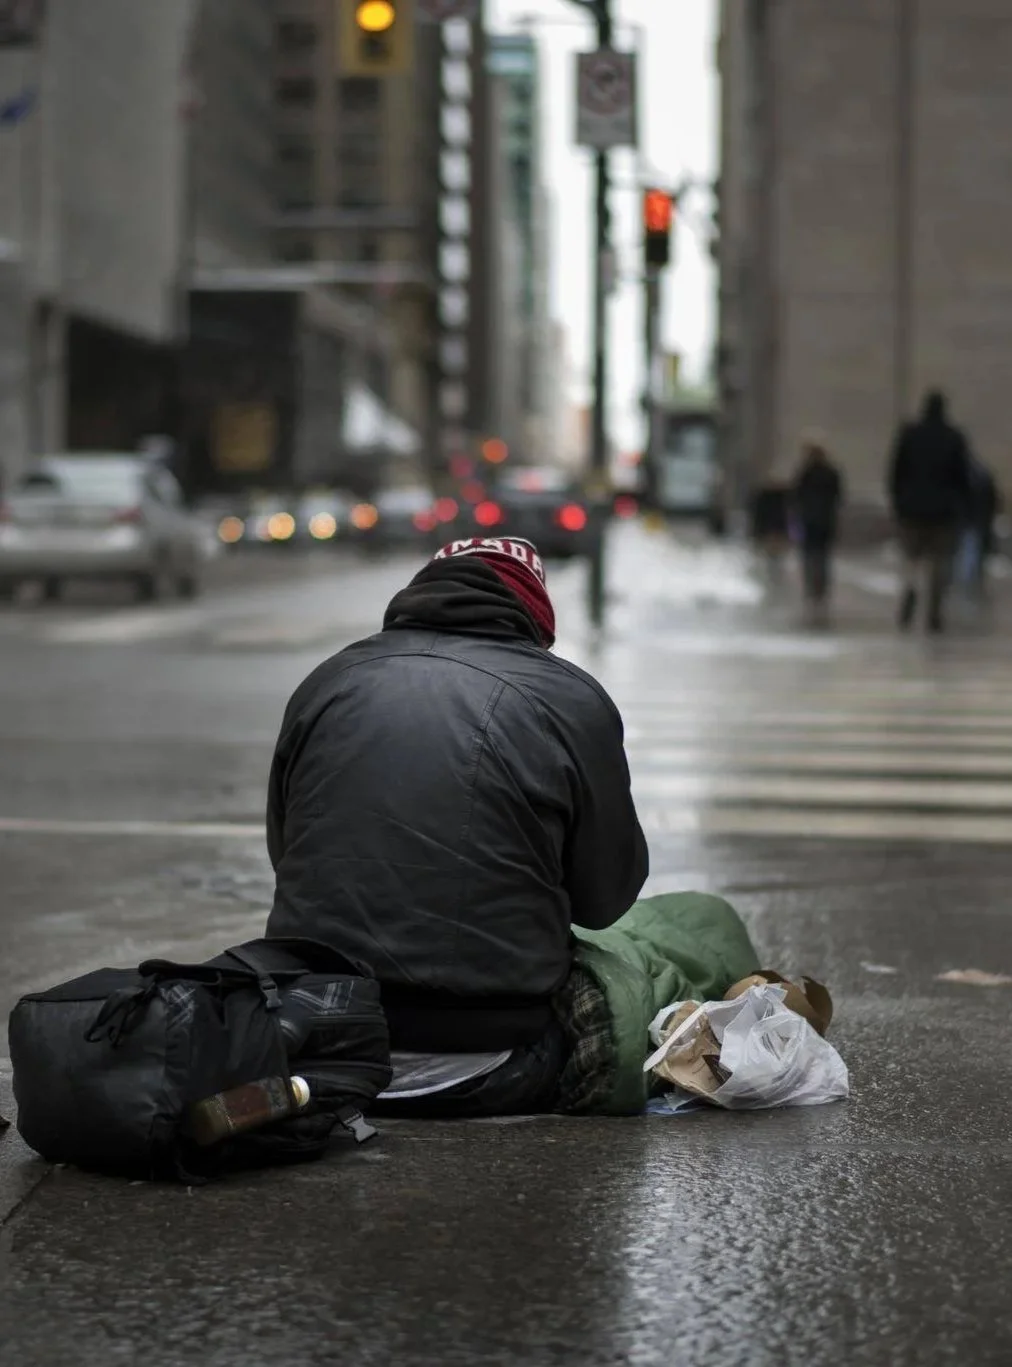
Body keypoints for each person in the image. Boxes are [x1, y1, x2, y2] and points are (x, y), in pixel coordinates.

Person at [265, 536, 648, 1117]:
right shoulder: (568, 697)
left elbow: (287, 852)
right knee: (649, 964)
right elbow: (603, 901)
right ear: (535, 619)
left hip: (314, 1042)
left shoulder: (328, 680)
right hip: (491, 1057)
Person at [888, 390, 973, 633]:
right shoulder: (954, 437)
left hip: (911, 510)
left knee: (911, 559)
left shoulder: (910, 434)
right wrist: (963, 508)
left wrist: (899, 502)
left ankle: (911, 591)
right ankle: (934, 610)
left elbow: (896, 472)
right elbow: (963, 477)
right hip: (944, 513)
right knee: (940, 563)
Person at [791, 439, 844, 624]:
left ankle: (812, 591)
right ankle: (820, 591)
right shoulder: (831, 473)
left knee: (809, 558)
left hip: (809, 522)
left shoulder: (804, 473)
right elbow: (839, 497)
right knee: (822, 559)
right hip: (825, 522)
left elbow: (795, 497)